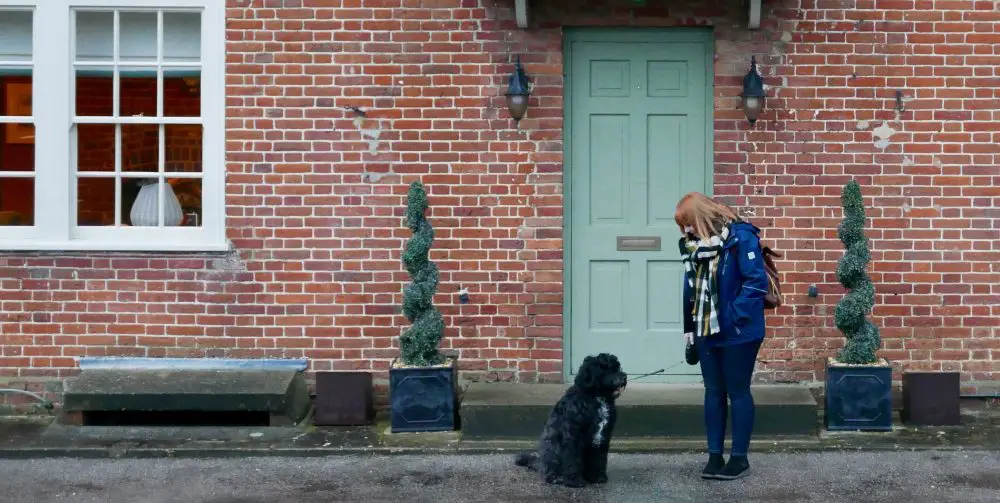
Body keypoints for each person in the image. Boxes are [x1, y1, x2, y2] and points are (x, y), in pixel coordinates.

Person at [675, 192, 769, 481]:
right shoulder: (694, 248)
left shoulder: (741, 237)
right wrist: (689, 331)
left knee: (737, 391)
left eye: (688, 224)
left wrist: (733, 315)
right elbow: (690, 290)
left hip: (738, 331)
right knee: (713, 392)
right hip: (706, 331)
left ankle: (738, 458)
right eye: (682, 227)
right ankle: (714, 455)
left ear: (701, 218)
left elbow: (756, 282)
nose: (685, 231)